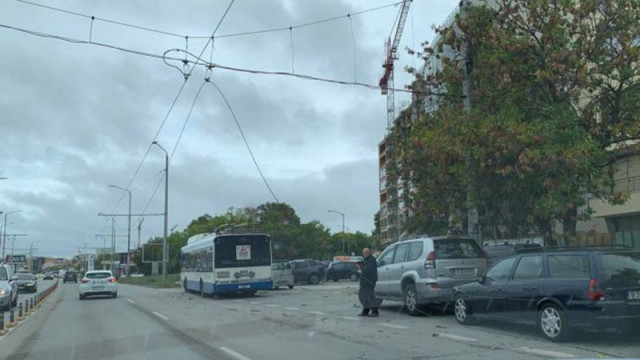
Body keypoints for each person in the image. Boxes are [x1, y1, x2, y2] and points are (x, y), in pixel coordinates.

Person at [358, 247, 379, 317]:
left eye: (365, 252)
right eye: (363, 253)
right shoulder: (364, 260)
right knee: (364, 297)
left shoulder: (372, 259)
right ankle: (365, 311)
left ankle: (375, 311)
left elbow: (369, 268)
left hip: (370, 281)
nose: (364, 254)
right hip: (364, 281)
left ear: (369, 252)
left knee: (370, 296)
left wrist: (362, 270)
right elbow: (362, 267)